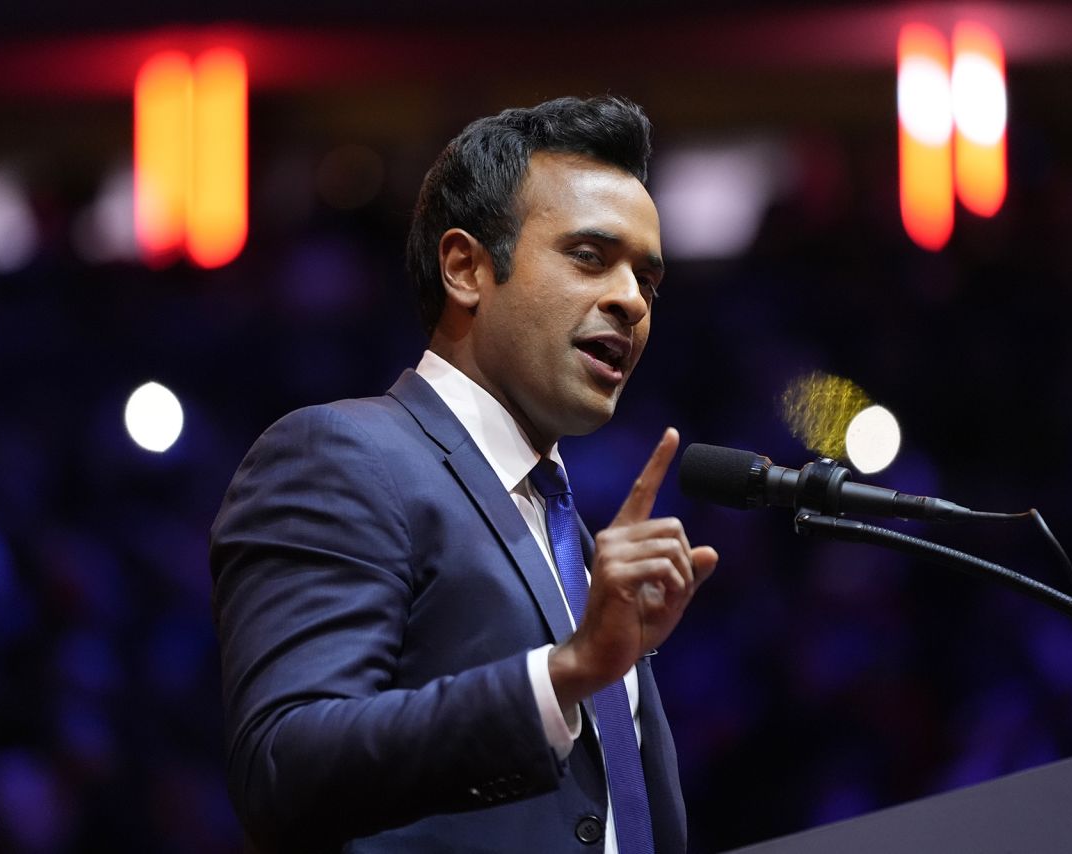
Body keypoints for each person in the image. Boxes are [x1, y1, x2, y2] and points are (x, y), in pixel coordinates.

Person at [210, 95, 719, 853]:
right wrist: (561, 674)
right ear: (465, 268)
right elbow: (284, 764)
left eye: (648, 279)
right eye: (589, 256)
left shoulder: (569, 534)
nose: (629, 301)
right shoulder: (343, 457)